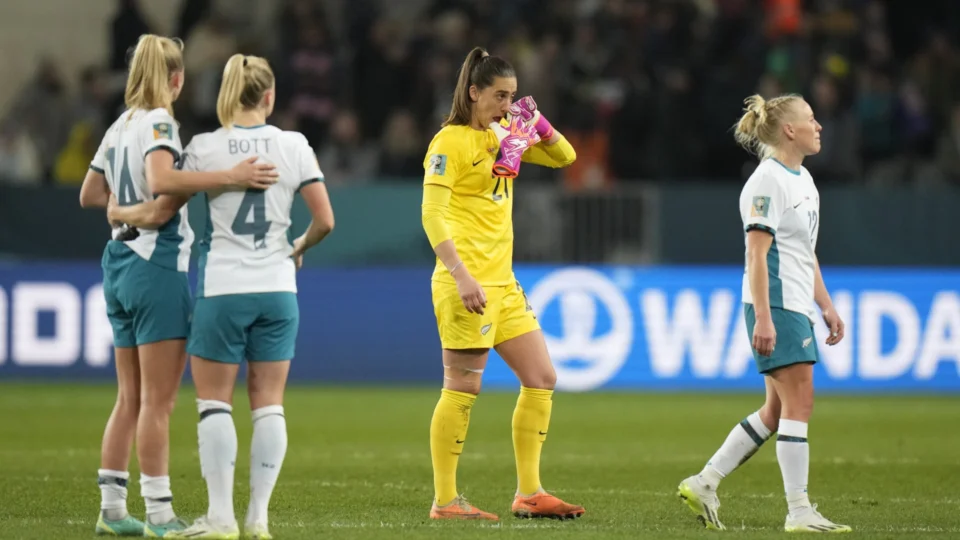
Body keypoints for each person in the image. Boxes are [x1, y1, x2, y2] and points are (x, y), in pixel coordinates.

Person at [114, 54, 334, 540]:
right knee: (269, 404)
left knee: (214, 404)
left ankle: (220, 519)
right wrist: (298, 246)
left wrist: (118, 210)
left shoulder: (204, 147)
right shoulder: (294, 144)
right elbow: (325, 220)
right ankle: (258, 519)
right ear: (270, 97)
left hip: (224, 289)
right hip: (278, 289)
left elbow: (158, 213)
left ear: (226, 94)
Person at [79, 35, 277, 537]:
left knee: (129, 397)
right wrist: (228, 176)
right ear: (175, 78)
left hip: (118, 261)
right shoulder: (159, 122)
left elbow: (89, 193)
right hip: (155, 263)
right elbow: (164, 179)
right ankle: (161, 513)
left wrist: (120, 208)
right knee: (158, 403)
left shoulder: (120, 124)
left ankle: (113, 510)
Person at [421, 46, 584, 521]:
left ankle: (529, 493)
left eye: (513, 96)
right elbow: (431, 213)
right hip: (465, 283)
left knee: (541, 378)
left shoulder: (503, 137)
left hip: (504, 284)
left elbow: (565, 156)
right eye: (498, 96)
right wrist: (461, 274)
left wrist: (538, 123)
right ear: (473, 93)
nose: (507, 105)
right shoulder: (449, 142)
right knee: (462, 388)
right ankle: (446, 501)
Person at [676, 94, 852, 533]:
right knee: (801, 401)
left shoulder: (803, 179)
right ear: (789, 130)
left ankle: (705, 482)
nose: (819, 126)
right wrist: (765, 318)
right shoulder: (766, 181)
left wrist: (825, 304)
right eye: (811, 119)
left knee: (775, 411)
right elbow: (757, 255)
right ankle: (798, 511)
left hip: (794, 304)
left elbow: (804, 252)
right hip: (775, 305)